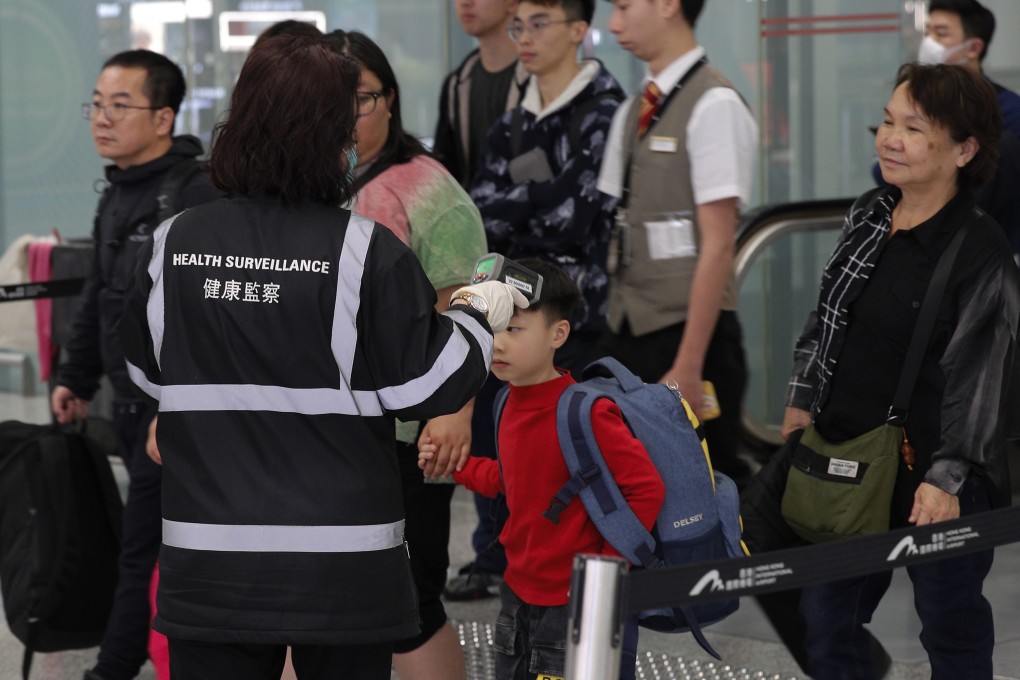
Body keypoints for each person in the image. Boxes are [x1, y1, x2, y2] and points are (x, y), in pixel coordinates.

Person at [117, 34, 526, 680]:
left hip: (210, 563)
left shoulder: (173, 243)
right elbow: (434, 379)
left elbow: (141, 371)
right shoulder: (362, 251)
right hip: (342, 569)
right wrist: (478, 311)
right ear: (329, 139)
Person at [782, 62, 1018, 679]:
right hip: (851, 455)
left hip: (940, 473)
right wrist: (803, 398)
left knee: (950, 621)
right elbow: (828, 311)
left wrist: (945, 479)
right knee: (828, 619)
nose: (890, 138)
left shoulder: (981, 250)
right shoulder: (869, 213)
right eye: (887, 122)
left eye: (913, 128)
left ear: (965, 149)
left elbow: (982, 377)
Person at [52, 49, 221, 680]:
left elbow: (205, 315)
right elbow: (100, 291)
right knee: (143, 545)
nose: (102, 117)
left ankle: (114, 668)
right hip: (126, 404)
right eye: (96, 103)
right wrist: (76, 376)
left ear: (164, 118)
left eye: (120, 105)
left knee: (144, 549)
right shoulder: (118, 191)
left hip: (169, 413)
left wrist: (175, 406)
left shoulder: (196, 192)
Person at [325, 28, 487, 680]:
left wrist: (456, 412)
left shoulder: (426, 187)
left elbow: (467, 306)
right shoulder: (314, 184)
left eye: (359, 98)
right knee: (336, 598)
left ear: (389, 98)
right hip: (337, 427)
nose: (346, 116)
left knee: (412, 596)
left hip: (408, 428)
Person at [418, 259, 665, 680]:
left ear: (558, 334)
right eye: (491, 329)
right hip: (518, 592)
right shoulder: (505, 403)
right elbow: (511, 481)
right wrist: (457, 468)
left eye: (513, 330)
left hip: (576, 602)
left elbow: (646, 489)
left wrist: (601, 575)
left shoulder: (586, 412)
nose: (496, 344)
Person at [596, 0, 758, 487]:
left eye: (624, 7)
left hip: (689, 333)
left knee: (700, 488)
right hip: (628, 324)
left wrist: (688, 364)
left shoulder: (714, 104)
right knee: (636, 486)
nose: (614, 23)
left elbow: (718, 246)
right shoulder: (633, 109)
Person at [433, 0, 529, 601]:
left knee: (523, 422)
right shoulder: (461, 82)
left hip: (531, 282)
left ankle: (524, 551)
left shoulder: (540, 75)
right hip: (476, 270)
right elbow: (444, 176)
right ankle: (491, 553)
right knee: (486, 415)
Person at [470, 0, 623, 374]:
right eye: (518, 27)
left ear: (578, 30)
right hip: (512, 321)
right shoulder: (512, 123)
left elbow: (567, 221)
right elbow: (480, 216)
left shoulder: (605, 114)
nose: (525, 39)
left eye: (539, 25)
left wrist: (516, 208)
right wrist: (541, 195)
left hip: (580, 321)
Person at [873, 0, 1020, 255]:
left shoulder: (1007, 111)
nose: (928, 42)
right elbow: (883, 174)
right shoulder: (868, 215)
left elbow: (983, 190)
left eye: (940, 34)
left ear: (974, 47)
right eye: (927, 32)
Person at [433, 0, 528, 187]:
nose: (465, 3)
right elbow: (446, 171)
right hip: (471, 213)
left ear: (513, 4)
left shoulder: (538, 81)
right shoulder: (456, 84)